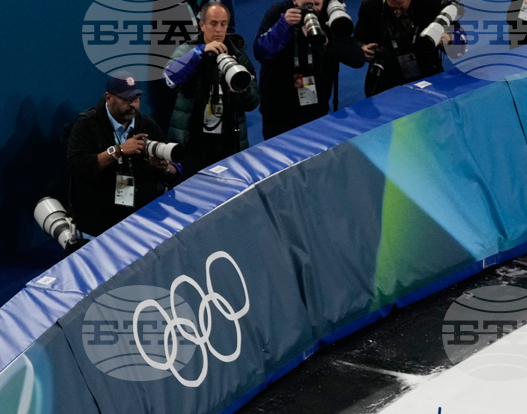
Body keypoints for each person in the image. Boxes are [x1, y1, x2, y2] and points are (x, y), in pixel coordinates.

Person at [67, 75, 178, 238]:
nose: (133, 104)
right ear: (108, 98)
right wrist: (117, 151)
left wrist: (165, 168)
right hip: (98, 224)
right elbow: (78, 166)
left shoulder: (146, 124)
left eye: (136, 98)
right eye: (126, 99)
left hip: (141, 220)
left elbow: (175, 167)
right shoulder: (87, 123)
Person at [164, 2, 261, 177]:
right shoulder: (188, 50)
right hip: (193, 142)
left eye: (223, 24)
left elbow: (254, 102)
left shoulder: (238, 55)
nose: (218, 30)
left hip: (228, 141)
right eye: (213, 23)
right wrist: (199, 53)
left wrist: (241, 89)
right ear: (202, 25)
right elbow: (169, 78)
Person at [254, 0, 366, 139]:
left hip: (316, 109)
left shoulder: (328, 16)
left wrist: (326, 43)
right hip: (278, 111)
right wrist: (283, 25)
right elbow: (261, 53)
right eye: (306, 4)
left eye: (316, 4)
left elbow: (357, 59)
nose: (311, 9)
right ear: (295, 0)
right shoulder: (279, 12)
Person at [354, 0, 456, 98]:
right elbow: (357, 38)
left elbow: (458, 36)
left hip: (426, 69)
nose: (397, 12)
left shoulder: (432, 4)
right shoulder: (371, 6)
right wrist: (362, 47)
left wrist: (449, 38)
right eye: (392, 7)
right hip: (387, 74)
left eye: (401, 7)